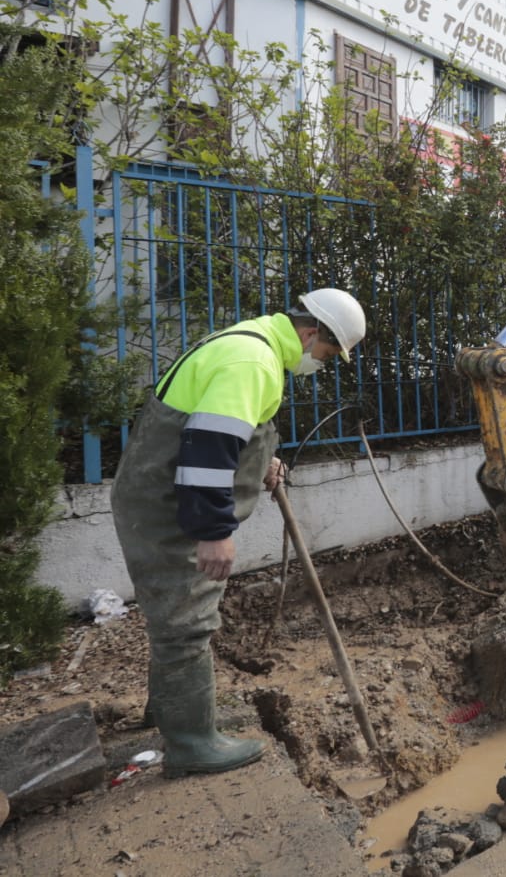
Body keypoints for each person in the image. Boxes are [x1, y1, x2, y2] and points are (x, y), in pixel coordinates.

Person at [112, 289, 366, 776]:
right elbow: (207, 449)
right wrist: (213, 531)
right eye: (329, 353)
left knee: (174, 613)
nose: (323, 363)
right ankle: (191, 744)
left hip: (162, 497)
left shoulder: (252, 344)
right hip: (173, 507)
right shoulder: (253, 360)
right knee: (187, 619)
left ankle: (170, 710)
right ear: (312, 333)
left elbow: (230, 429)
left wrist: (260, 460)